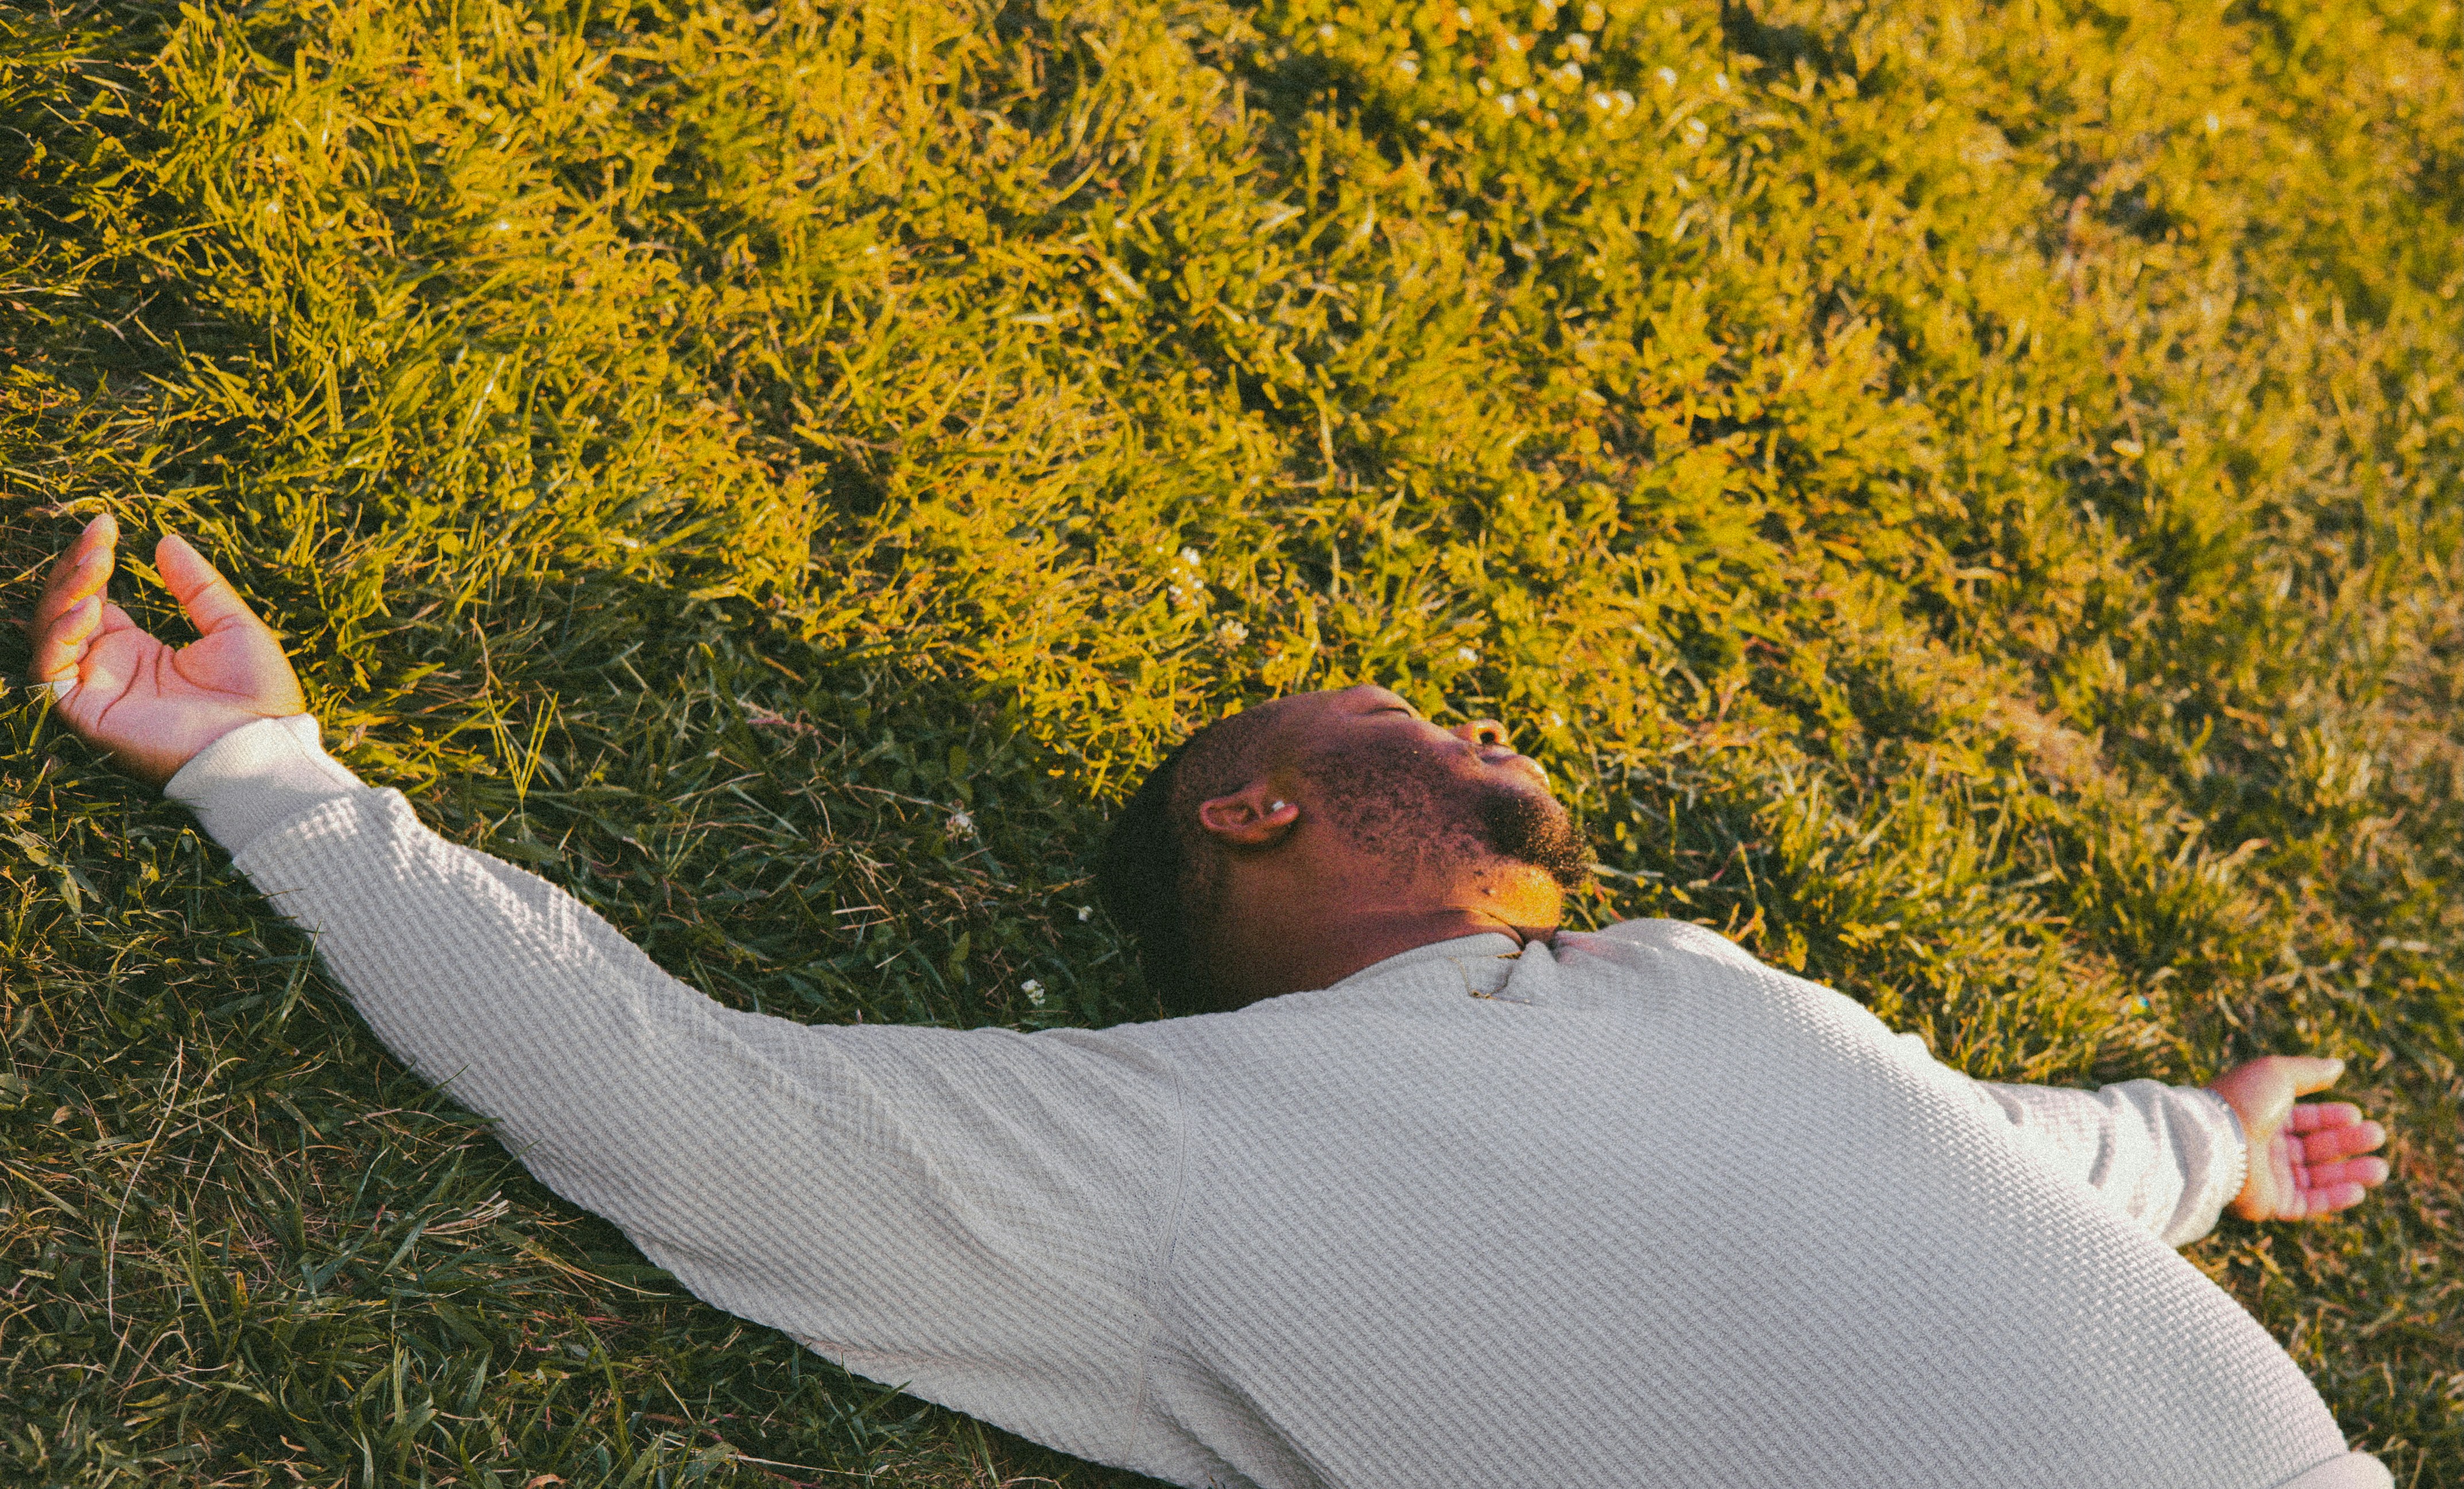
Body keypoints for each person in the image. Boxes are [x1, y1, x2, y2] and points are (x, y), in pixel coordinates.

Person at [26, 514, 2398, 1489]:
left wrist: (2202, 1143)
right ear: (1252, 812)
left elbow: (1975, 1152)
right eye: (1397, 708)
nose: (1470, 714)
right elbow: (679, 1101)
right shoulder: (1187, 1146)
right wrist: (263, 767)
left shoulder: (1691, 980)